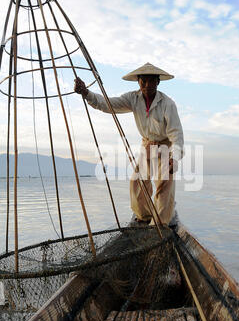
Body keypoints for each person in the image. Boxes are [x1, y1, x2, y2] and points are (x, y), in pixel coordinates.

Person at [74, 62, 184, 226]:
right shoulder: (133, 98)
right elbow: (108, 104)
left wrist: (174, 158)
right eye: (143, 81)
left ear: (158, 82)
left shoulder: (167, 103)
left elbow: (176, 133)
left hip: (165, 145)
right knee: (138, 182)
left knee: (164, 185)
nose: (147, 85)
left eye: (151, 81)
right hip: (147, 144)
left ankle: (159, 225)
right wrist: (86, 93)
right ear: (138, 82)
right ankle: (145, 217)